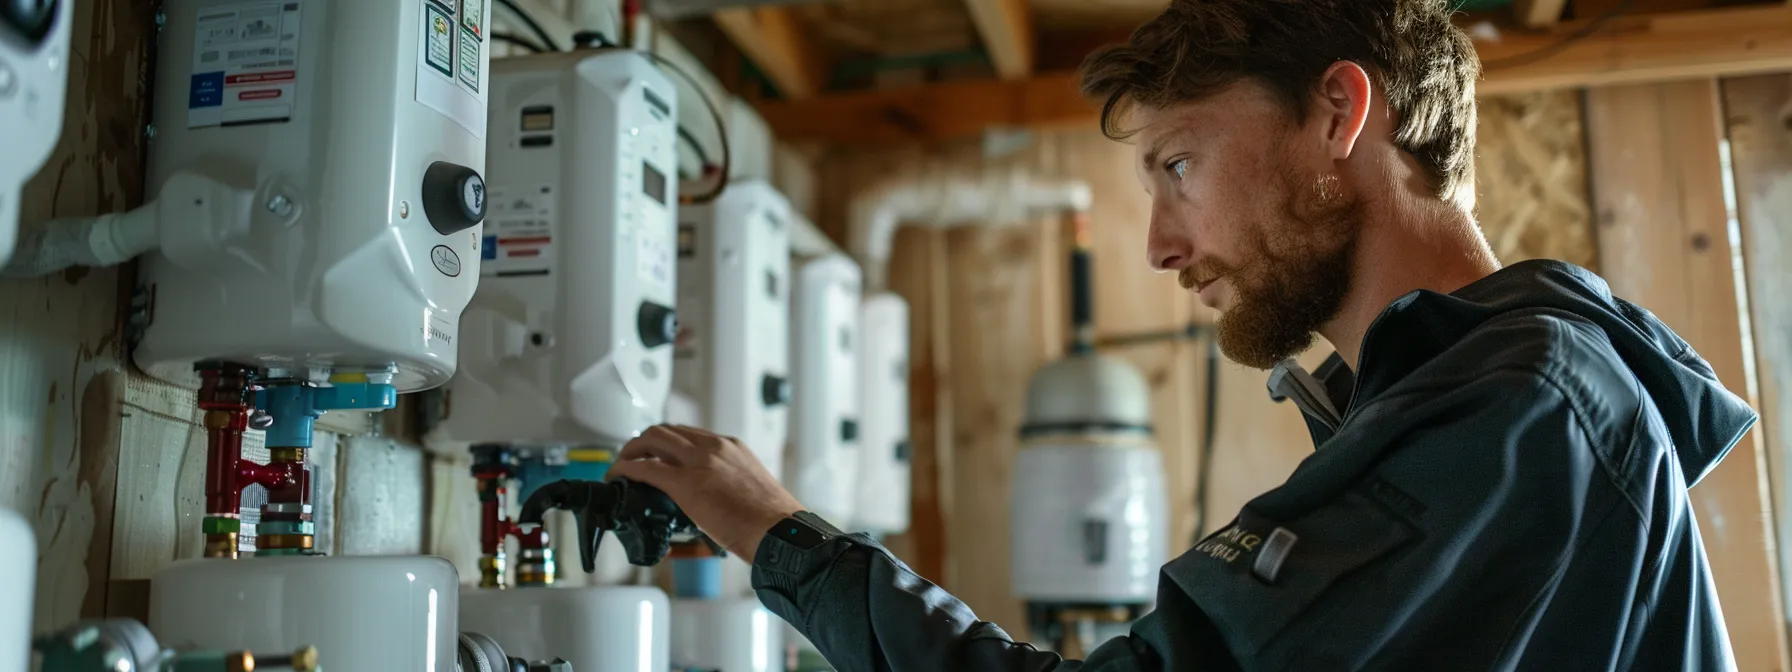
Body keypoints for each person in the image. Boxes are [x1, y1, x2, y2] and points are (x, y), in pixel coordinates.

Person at [609, 0, 1752, 668]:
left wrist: (781, 537)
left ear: (1338, 115)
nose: (1160, 245)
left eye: (1176, 165)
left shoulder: (1516, 410)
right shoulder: (1483, 401)